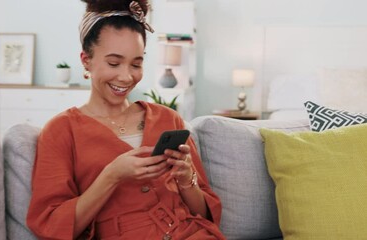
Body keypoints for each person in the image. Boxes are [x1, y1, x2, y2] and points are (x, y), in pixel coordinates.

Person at [26, 0, 226, 239]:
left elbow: (204, 213)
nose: (126, 76)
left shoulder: (168, 118)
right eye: (114, 63)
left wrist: (186, 180)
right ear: (86, 60)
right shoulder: (61, 130)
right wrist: (112, 176)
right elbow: (51, 225)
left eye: (136, 64)